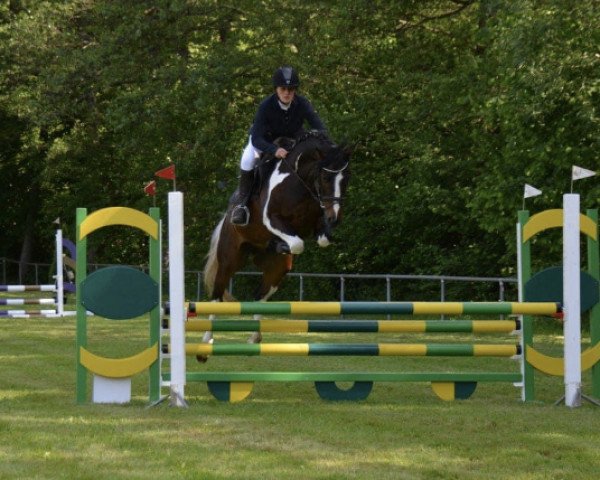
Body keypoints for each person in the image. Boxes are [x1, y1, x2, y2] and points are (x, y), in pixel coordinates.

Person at [230, 65, 327, 225]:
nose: (287, 92)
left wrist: (321, 140)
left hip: (290, 142)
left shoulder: (302, 103)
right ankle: (242, 205)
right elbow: (256, 139)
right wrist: (274, 150)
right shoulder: (266, 106)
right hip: (264, 142)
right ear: (276, 89)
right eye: (283, 88)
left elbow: (320, 127)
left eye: (291, 89)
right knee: (247, 160)